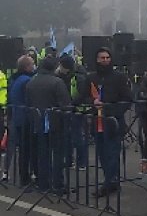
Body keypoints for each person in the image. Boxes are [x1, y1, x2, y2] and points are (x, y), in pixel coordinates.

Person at [82, 48, 133, 196]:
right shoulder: (91, 78)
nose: (105, 60)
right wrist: (93, 102)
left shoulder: (119, 77)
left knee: (112, 153)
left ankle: (110, 183)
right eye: (102, 58)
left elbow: (127, 99)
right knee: (102, 154)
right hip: (97, 122)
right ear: (97, 60)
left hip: (113, 123)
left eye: (107, 58)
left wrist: (112, 111)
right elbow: (83, 97)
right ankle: (110, 180)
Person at [25, 56, 72, 192]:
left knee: (42, 154)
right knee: (57, 155)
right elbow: (65, 104)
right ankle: (58, 184)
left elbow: (28, 103)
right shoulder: (57, 82)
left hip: (37, 123)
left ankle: (43, 183)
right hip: (56, 122)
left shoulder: (31, 82)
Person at [6, 56, 35, 182]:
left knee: (18, 148)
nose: (34, 66)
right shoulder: (27, 80)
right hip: (25, 118)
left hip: (15, 117)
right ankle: (24, 177)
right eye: (32, 64)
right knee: (26, 149)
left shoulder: (14, 79)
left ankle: (15, 174)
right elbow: (29, 99)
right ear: (27, 66)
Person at [56, 54, 88, 169]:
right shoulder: (60, 76)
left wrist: (71, 104)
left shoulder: (79, 78)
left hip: (76, 110)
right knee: (67, 137)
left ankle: (82, 162)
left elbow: (82, 94)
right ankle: (69, 160)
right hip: (65, 110)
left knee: (77, 136)